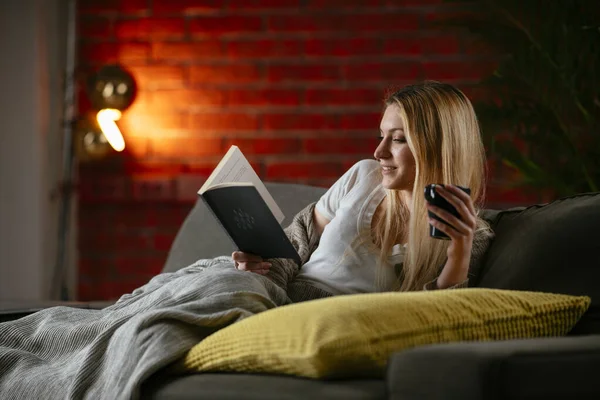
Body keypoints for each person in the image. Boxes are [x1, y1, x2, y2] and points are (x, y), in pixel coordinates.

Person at [232, 80, 493, 295]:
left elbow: (439, 315)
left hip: (332, 323)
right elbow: (295, 242)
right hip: (278, 296)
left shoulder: (470, 236)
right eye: (382, 136)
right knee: (217, 285)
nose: (379, 151)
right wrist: (258, 269)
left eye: (399, 139)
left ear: (439, 149)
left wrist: (460, 250)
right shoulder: (364, 175)